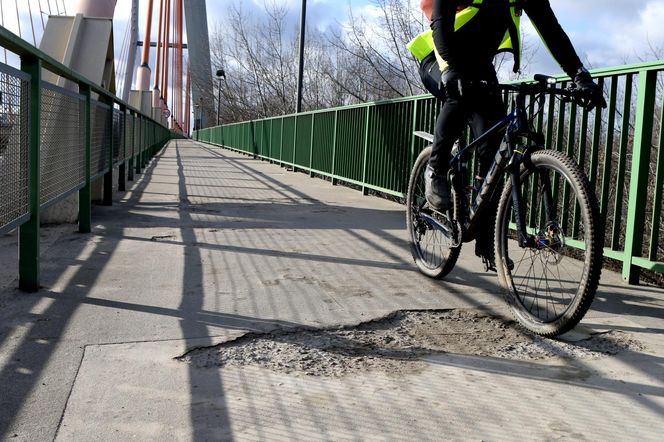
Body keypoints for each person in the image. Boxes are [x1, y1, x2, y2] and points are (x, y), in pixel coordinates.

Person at [407, 0, 605, 271]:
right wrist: (451, 68)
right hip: (439, 57)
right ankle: (436, 168)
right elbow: (441, 20)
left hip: (479, 67)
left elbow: (552, 30)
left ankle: (486, 234)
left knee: (496, 146)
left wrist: (580, 75)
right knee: (458, 98)